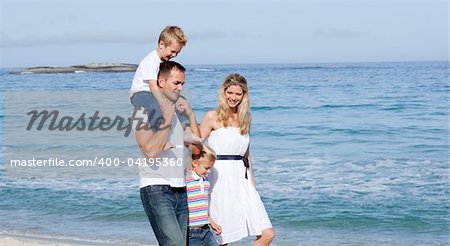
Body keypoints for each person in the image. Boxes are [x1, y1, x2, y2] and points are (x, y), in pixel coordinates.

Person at [199, 74, 275, 245]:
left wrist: (252, 184)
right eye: (230, 93)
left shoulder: (246, 118)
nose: (233, 98)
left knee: (267, 234)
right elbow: (197, 147)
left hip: (242, 179)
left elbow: (247, 155)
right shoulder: (212, 116)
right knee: (222, 238)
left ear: (244, 96)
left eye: (238, 94)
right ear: (223, 92)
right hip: (218, 179)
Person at [133, 61, 199, 245]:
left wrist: (191, 115)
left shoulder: (181, 111)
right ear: (161, 81)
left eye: (182, 84)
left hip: (181, 190)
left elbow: (197, 150)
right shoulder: (142, 111)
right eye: (176, 83)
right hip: (156, 188)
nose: (180, 88)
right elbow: (150, 151)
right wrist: (167, 119)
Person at [129, 25, 191, 129]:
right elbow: (153, 86)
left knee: (181, 101)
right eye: (172, 51)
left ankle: (187, 131)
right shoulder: (151, 61)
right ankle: (157, 133)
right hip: (140, 93)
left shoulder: (163, 61)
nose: (175, 55)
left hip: (153, 92)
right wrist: (163, 103)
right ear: (162, 44)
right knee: (156, 105)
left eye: (177, 52)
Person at [186, 145, 222, 246]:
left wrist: (212, 223)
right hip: (190, 233)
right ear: (194, 163)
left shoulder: (206, 182)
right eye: (206, 168)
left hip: (206, 230)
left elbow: (203, 207)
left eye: (210, 168)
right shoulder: (187, 180)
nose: (209, 171)